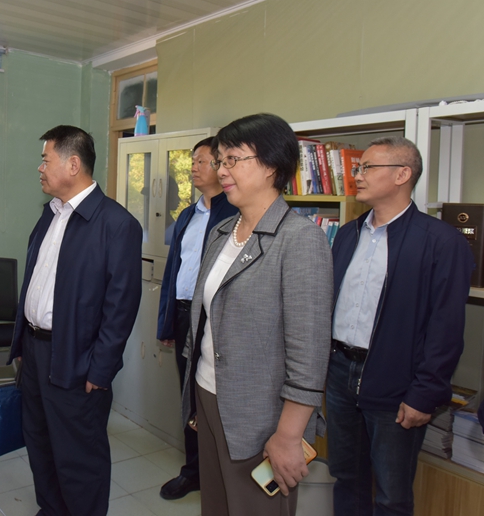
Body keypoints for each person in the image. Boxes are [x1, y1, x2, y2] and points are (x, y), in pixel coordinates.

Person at [180, 113, 333, 516]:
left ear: (271, 166)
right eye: (220, 160)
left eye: (233, 159)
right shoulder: (221, 233)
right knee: (216, 506)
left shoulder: (300, 241)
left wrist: (289, 436)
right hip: (209, 396)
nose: (221, 170)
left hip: (262, 417)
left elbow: (309, 355)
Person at [327, 136, 474, 516]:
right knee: (345, 477)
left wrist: (425, 393)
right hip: (340, 374)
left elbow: (446, 328)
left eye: (367, 167)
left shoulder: (441, 242)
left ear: (402, 174)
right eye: (357, 168)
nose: (357, 176)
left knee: (391, 494)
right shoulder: (348, 235)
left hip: (396, 382)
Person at [8, 125, 142, 516]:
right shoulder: (49, 214)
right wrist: (22, 343)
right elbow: (35, 282)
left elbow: (121, 308)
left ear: (73, 164)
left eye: (45, 160)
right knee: (39, 442)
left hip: (76, 358)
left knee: (78, 456)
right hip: (35, 352)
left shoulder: (116, 224)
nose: (40, 168)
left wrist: (100, 369)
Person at [156, 136, 238, 500]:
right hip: (182, 313)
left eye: (201, 161)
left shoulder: (233, 214)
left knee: (215, 397)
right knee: (189, 396)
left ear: (221, 166)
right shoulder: (187, 215)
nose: (193, 167)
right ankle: (194, 471)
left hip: (214, 317)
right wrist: (166, 322)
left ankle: (219, 472)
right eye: (192, 161)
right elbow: (173, 272)